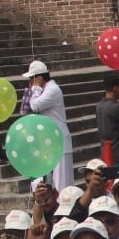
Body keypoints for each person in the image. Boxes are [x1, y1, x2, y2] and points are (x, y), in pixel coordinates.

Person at [23, 60, 73, 190]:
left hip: (59, 140)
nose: (30, 82)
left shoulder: (52, 90)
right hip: (50, 140)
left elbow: (34, 105)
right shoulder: (46, 89)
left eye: (32, 79)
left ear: (39, 78)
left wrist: (35, 88)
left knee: (62, 182)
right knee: (52, 182)